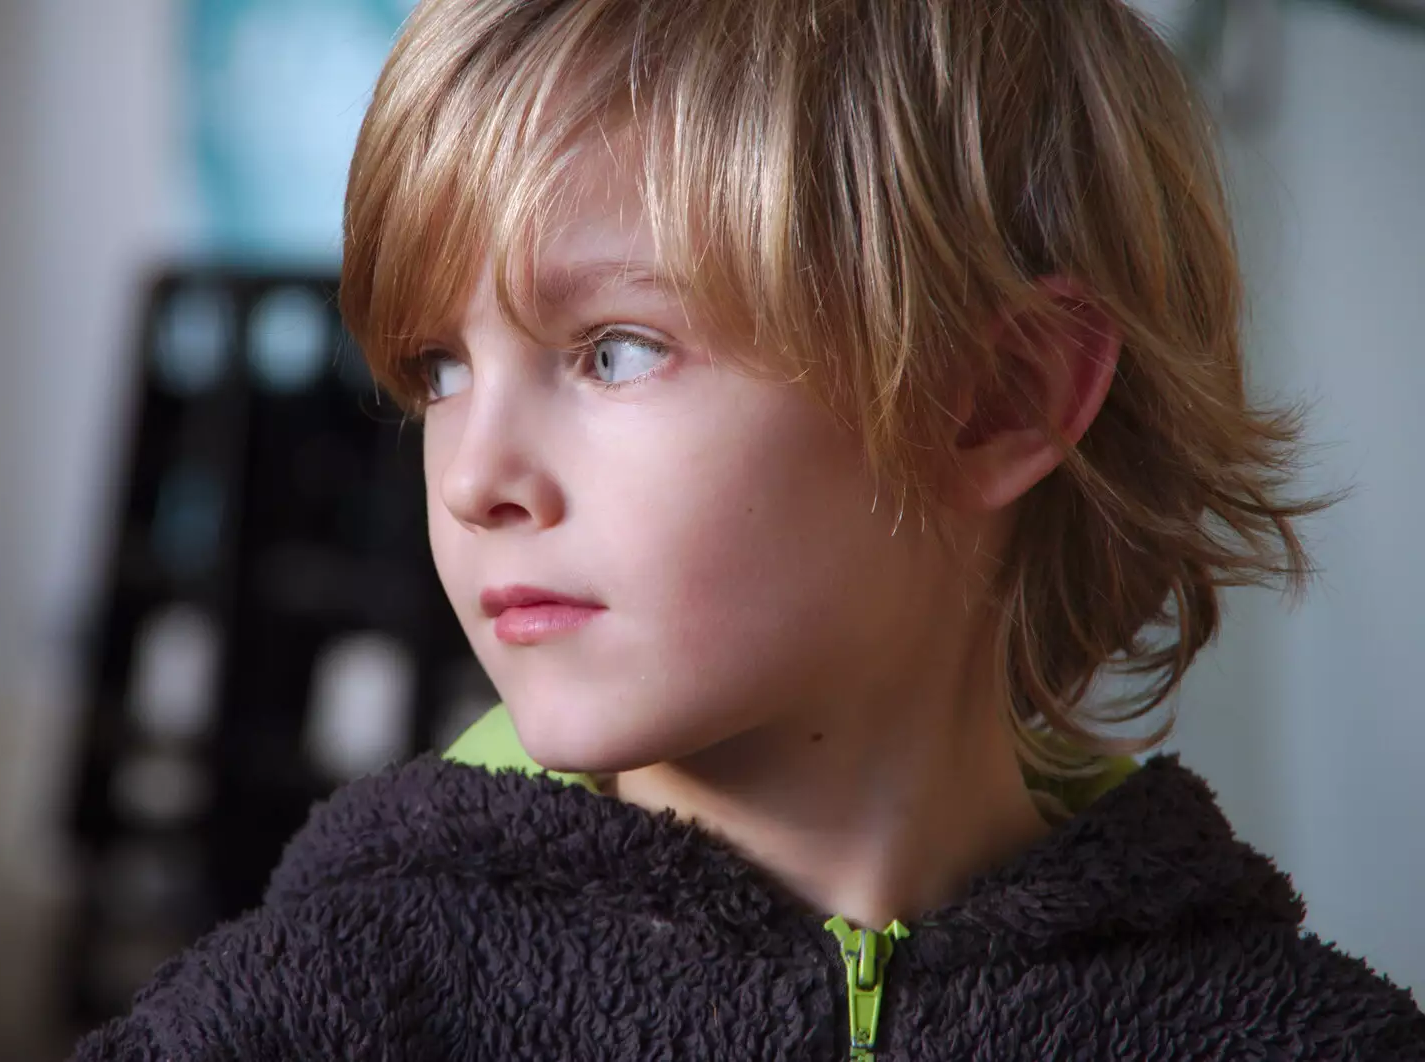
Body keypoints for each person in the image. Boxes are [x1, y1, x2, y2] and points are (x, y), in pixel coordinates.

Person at [72, 0, 1425, 1058]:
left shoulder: (1289, 1025)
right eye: (438, 368)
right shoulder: (332, 1000)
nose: (474, 472)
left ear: (997, 398)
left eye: (612, 350)